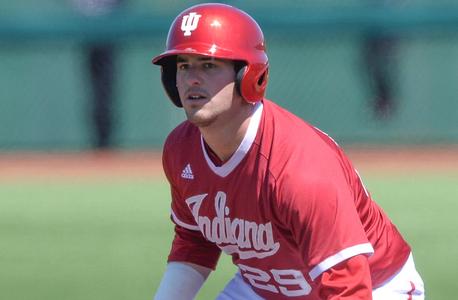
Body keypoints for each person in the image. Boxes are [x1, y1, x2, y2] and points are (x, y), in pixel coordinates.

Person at [152, 3, 424, 299]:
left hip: (374, 286)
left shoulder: (299, 169)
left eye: (208, 65)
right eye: (183, 66)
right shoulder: (181, 150)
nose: (192, 78)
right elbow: (195, 241)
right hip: (265, 288)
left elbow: (348, 286)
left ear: (249, 75)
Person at [72, 0, 124, 149]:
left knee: (106, 89)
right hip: (86, 35)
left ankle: (105, 143)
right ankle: (99, 144)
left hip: (109, 36)